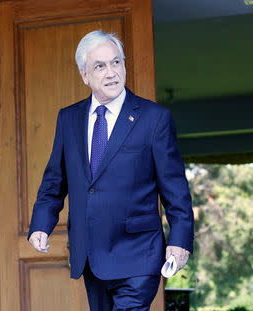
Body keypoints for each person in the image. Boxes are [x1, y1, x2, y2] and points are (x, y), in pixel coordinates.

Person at [27, 30, 194, 311]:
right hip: (91, 255)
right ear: (85, 75)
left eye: (116, 62)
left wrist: (180, 241)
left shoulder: (154, 119)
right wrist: (41, 224)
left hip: (139, 255)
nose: (111, 72)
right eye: (100, 66)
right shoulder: (68, 119)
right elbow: (55, 180)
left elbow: (175, 190)